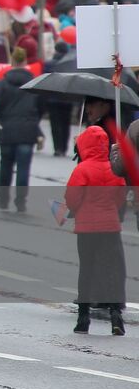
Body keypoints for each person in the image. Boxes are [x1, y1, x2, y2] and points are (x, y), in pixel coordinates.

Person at [65, 126, 127, 335]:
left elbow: (72, 199)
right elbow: (119, 198)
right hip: (110, 226)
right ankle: (116, 315)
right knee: (111, 270)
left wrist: (77, 210)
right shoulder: (113, 168)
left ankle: (83, 318)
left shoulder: (82, 170)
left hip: (87, 227)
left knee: (87, 270)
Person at [0, 48, 41, 214]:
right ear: (25, 61)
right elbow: (40, 107)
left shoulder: (3, 83)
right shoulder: (34, 83)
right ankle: (21, 201)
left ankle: (3, 199)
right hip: (27, 130)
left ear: (12, 61)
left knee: (6, 166)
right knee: (24, 168)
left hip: (7, 130)